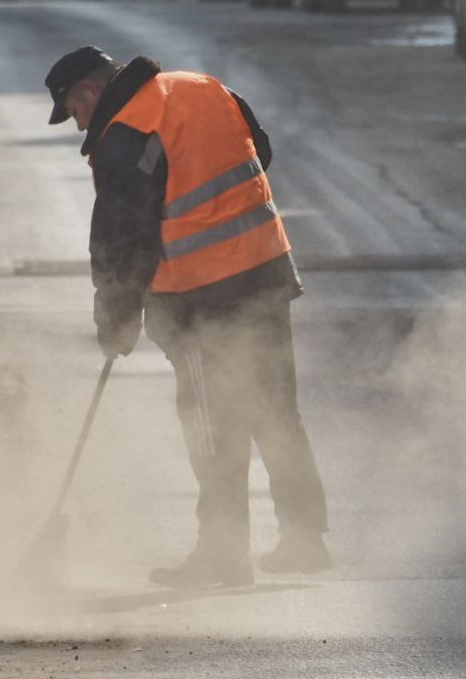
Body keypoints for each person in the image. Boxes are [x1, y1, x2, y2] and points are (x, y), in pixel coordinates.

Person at [44, 46, 330, 589]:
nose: (79, 123)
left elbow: (124, 235)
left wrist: (116, 320)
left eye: (74, 112)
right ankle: (304, 538)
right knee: (274, 407)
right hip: (264, 270)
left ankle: (222, 553)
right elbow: (258, 152)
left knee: (209, 425)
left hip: (199, 297)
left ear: (86, 93)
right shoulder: (203, 88)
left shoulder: (127, 130)